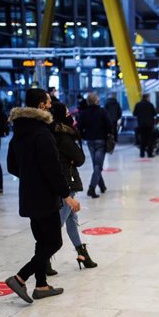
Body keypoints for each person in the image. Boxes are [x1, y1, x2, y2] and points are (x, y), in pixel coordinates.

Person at [5, 88, 81, 303]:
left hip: (28, 195)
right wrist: (67, 195)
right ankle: (20, 278)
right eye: (48, 102)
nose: (51, 104)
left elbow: (12, 166)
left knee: (41, 241)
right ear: (40, 105)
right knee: (54, 242)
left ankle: (41, 285)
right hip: (45, 197)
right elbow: (52, 169)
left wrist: (30, 176)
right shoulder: (42, 133)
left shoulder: (19, 131)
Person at [49, 101, 97, 272]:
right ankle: (43, 259)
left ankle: (81, 253)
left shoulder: (52, 133)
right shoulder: (62, 135)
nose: (70, 115)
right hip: (66, 183)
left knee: (71, 219)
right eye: (67, 112)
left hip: (65, 181)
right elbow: (80, 158)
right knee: (58, 223)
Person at [77, 92, 112, 198]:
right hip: (101, 140)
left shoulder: (83, 113)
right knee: (98, 165)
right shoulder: (102, 111)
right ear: (96, 100)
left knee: (96, 164)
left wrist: (83, 136)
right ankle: (91, 188)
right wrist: (109, 134)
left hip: (90, 141)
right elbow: (109, 125)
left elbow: (79, 127)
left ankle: (102, 186)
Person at [133, 93, 157, 158]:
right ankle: (149, 154)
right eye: (149, 97)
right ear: (147, 97)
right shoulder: (150, 105)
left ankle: (142, 154)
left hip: (141, 125)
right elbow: (154, 114)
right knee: (150, 140)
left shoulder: (138, 104)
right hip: (149, 125)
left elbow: (134, 113)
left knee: (142, 139)